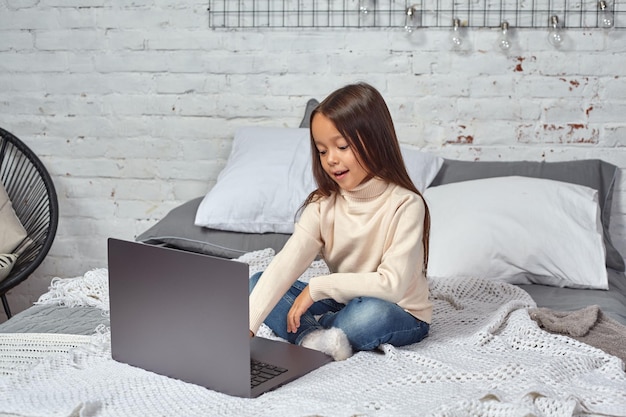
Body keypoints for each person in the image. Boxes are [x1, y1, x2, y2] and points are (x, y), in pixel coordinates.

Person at [248, 82, 432, 361]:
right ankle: (313, 338)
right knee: (258, 282)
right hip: (343, 301)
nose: (331, 160)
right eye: (322, 151)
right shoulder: (323, 205)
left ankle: (315, 330)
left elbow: (391, 285)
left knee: (371, 313)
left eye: (342, 146)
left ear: (374, 139)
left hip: (398, 309)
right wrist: (247, 326)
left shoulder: (406, 204)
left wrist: (318, 288)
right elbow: (285, 264)